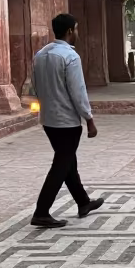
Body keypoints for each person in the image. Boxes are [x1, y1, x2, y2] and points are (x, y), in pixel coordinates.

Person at [30, 12, 105, 228]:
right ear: (70, 31)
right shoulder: (70, 57)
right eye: (77, 29)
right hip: (67, 120)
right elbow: (78, 91)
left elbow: (35, 85)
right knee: (61, 164)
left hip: (48, 118)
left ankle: (83, 202)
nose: (78, 33)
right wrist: (89, 118)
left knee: (67, 161)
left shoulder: (41, 54)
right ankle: (41, 211)